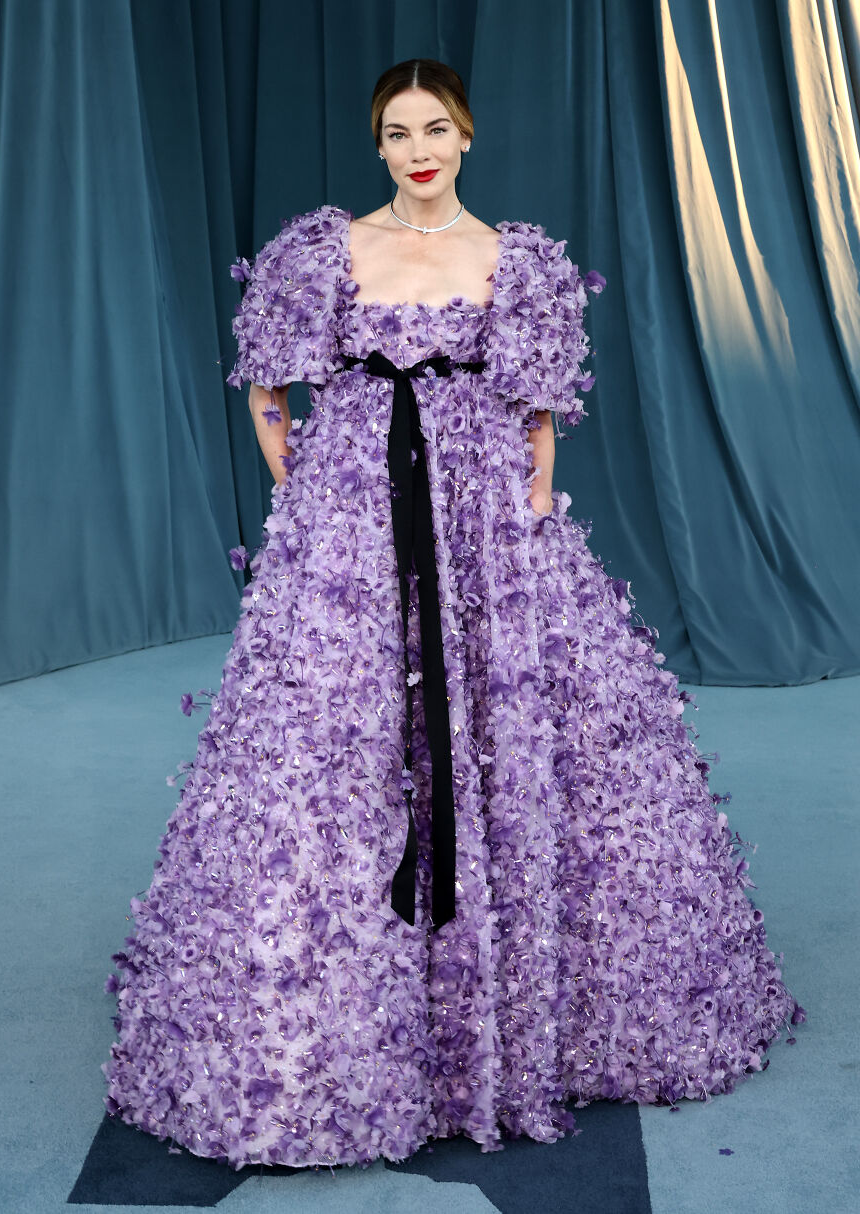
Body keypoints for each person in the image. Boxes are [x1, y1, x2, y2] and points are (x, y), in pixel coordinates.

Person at [102, 58, 805, 1172]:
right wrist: (305, 487)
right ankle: (330, 1025)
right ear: (377, 143)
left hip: (484, 526)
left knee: (509, 726)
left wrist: (534, 506)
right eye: (398, 131)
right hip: (352, 528)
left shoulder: (515, 260)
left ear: (465, 136)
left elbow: (537, 410)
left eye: (435, 128)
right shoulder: (324, 251)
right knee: (338, 742)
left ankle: (513, 1002)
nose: (418, 149)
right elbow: (268, 387)